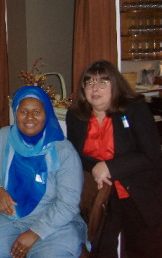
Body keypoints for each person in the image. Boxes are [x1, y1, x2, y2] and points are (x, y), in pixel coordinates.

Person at [66, 60, 162, 257]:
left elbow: (151, 154)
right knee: (100, 251)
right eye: (89, 83)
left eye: (103, 82)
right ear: (83, 89)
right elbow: (74, 155)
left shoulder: (134, 109)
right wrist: (98, 169)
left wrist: (110, 166)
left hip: (137, 190)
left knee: (142, 250)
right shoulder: (76, 115)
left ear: (114, 85)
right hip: (101, 193)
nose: (95, 88)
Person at [0, 86, 87, 258]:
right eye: (23, 111)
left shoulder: (63, 150)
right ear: (15, 113)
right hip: (12, 219)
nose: (29, 117)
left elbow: (68, 204)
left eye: (37, 111)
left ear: (46, 114)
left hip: (55, 223)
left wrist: (35, 232)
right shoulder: (4, 137)